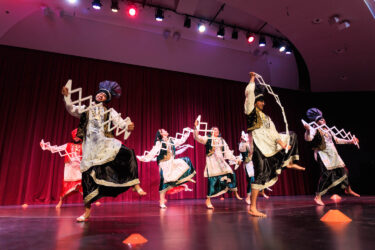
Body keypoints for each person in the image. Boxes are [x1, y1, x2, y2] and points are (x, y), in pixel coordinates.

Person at [62, 80, 146, 222]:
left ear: (107, 98)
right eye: (99, 93)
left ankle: (134, 184)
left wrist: (128, 126)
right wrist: (67, 97)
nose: (101, 95)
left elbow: (121, 123)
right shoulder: (86, 108)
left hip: (105, 143)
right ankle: (87, 212)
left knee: (128, 153)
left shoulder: (109, 111)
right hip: (90, 147)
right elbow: (71, 109)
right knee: (87, 178)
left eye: (104, 95)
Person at [244, 72, 305, 217]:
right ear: (255, 102)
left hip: (270, 145)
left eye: (263, 101)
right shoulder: (250, 110)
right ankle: (252, 207)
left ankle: (287, 162)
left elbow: (274, 133)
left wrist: (282, 144)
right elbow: (249, 94)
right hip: (259, 146)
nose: (263, 103)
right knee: (259, 175)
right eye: (261, 101)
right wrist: (252, 79)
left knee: (292, 135)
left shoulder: (267, 117)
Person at [304, 108, 360, 206]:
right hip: (323, 154)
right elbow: (308, 138)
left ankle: (348, 189)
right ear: (316, 122)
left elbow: (337, 140)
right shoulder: (314, 129)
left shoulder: (328, 129)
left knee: (344, 171)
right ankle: (318, 197)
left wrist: (350, 141)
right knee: (326, 175)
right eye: (320, 120)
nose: (323, 120)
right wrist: (308, 131)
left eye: (323, 119)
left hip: (333, 153)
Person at [137, 129, 196, 208]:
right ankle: (162, 201)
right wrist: (144, 158)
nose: (166, 131)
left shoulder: (171, 140)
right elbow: (153, 152)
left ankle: (184, 178)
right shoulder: (159, 142)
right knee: (164, 182)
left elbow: (181, 141)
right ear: (161, 134)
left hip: (171, 161)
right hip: (164, 163)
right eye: (163, 131)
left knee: (185, 161)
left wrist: (186, 133)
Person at [193, 121, 242, 209]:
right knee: (212, 180)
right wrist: (196, 127)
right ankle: (208, 199)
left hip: (221, 161)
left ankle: (234, 191)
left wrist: (235, 159)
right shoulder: (207, 138)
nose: (216, 131)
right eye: (214, 130)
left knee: (231, 173)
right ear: (211, 131)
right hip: (212, 161)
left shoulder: (222, 140)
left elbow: (227, 151)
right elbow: (197, 137)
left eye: (217, 130)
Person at [40, 128, 83, 209]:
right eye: (75, 137)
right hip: (70, 168)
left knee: (82, 185)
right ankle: (60, 201)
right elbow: (57, 149)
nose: (76, 138)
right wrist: (46, 146)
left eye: (77, 136)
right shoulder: (68, 145)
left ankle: (87, 203)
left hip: (79, 167)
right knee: (66, 186)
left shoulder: (84, 146)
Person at [238, 131, 269, 205]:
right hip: (248, 164)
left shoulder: (254, 143)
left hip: (255, 163)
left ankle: (260, 192)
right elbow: (242, 153)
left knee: (260, 177)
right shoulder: (243, 144)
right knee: (251, 180)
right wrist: (239, 160)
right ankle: (248, 197)